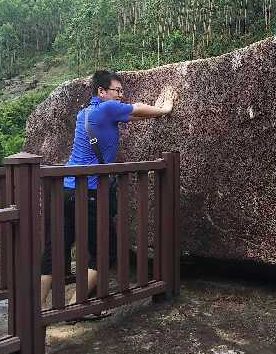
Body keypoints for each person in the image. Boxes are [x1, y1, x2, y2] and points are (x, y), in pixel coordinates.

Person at [40, 70, 176, 309]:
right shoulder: (107, 109)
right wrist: (163, 109)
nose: (121, 96)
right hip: (89, 192)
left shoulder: (84, 113)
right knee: (105, 251)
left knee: (55, 252)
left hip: (66, 190)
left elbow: (129, 116)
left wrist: (148, 110)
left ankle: (35, 312)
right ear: (101, 92)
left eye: (122, 92)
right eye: (117, 91)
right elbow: (137, 109)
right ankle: (75, 308)